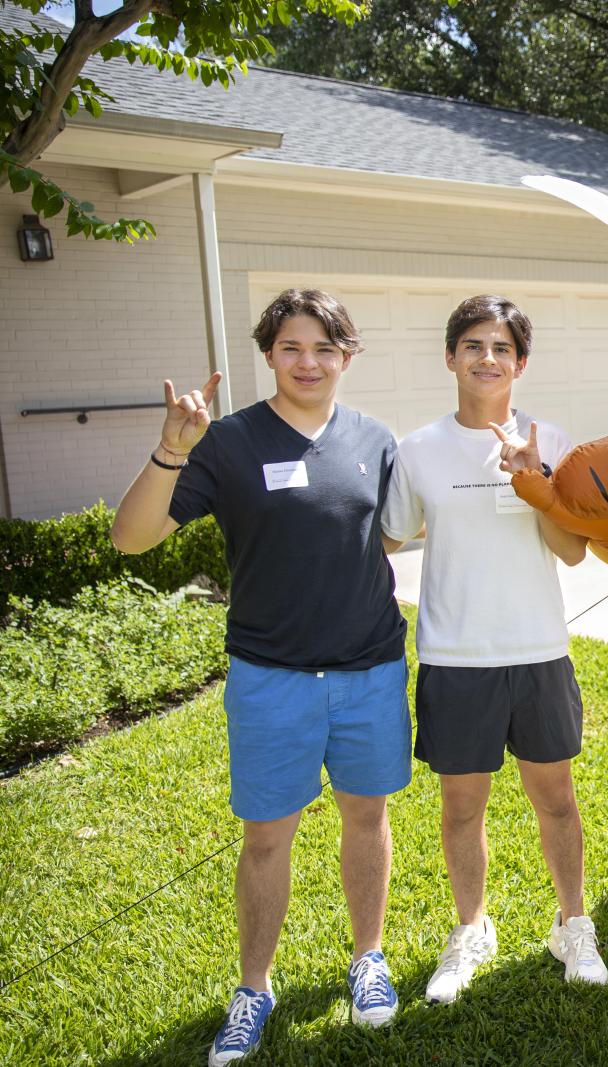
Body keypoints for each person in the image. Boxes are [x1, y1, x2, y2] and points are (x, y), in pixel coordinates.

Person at [109, 289, 410, 1065]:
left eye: (324, 348)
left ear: (349, 355)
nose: (308, 362)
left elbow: (395, 533)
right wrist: (172, 448)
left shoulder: (376, 439)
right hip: (271, 677)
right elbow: (131, 539)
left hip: (369, 670)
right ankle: (255, 986)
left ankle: (367, 957)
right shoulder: (229, 440)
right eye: (290, 348)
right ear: (268, 354)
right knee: (267, 838)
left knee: (366, 817)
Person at [379, 294, 606, 1000]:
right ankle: (472, 929)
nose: (487, 358)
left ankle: (572, 923)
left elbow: (572, 550)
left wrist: (534, 482)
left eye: (502, 348)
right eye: (473, 345)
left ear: (521, 363)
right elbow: (387, 537)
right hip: (455, 658)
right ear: (450, 356)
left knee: (557, 801)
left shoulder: (552, 439)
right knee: (461, 809)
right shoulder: (416, 450)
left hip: (538, 652)